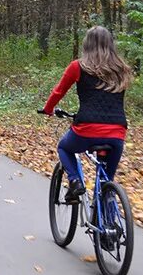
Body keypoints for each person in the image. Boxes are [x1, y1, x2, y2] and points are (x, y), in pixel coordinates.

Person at [41, 26, 132, 203]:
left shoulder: (78, 67)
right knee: (107, 180)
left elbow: (58, 92)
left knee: (64, 148)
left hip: (86, 130)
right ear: (110, 45)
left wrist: (48, 109)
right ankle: (109, 221)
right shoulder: (122, 69)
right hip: (117, 132)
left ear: (87, 44)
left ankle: (74, 181)